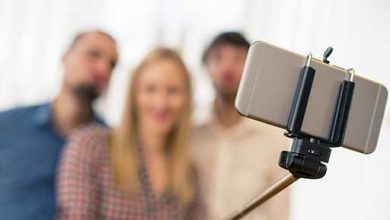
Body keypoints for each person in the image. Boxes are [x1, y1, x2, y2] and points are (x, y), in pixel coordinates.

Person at [57, 48, 204, 219]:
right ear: (134, 96)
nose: (161, 103)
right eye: (150, 89)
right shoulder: (91, 145)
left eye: (173, 91)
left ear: (187, 99)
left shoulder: (189, 174)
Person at [0, 30, 118, 220]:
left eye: (112, 64)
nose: (102, 68)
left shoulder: (113, 147)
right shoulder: (7, 126)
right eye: (93, 55)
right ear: (65, 56)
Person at [191, 32, 290, 220]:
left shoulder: (274, 137)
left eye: (238, 58)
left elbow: (279, 210)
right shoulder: (189, 129)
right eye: (218, 57)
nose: (228, 66)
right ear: (205, 66)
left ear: (252, 68)